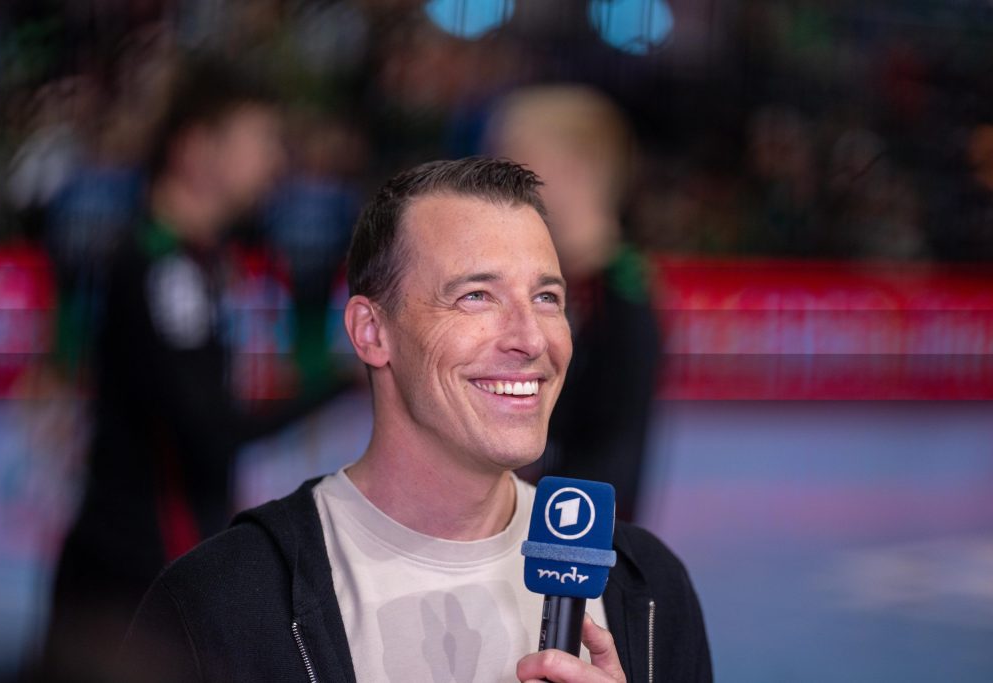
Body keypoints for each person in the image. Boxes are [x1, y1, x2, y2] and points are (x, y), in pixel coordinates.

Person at [121, 157, 711, 682]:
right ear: (371, 332)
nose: (532, 339)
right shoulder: (217, 603)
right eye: (476, 296)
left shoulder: (649, 591)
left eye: (547, 298)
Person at [38, 58, 334, 682]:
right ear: (197, 148)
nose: (274, 161)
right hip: (137, 580)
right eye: (258, 139)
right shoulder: (163, 270)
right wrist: (340, 380)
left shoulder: (191, 263)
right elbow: (209, 431)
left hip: (142, 567)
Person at [487, 85, 662, 522]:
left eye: (514, 165)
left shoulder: (619, 294)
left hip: (570, 541)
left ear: (574, 169)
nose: (494, 187)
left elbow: (612, 459)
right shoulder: (558, 283)